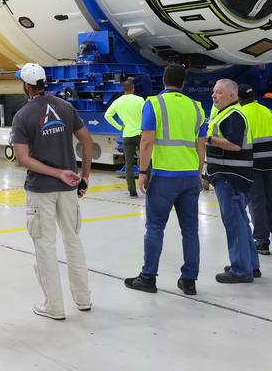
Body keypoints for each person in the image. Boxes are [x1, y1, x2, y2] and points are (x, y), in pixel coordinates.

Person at [10, 62, 93, 319]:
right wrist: (84, 177)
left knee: (45, 245)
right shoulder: (66, 108)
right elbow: (87, 141)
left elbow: (22, 158)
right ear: (45, 82)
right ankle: (83, 299)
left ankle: (54, 306)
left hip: (41, 190)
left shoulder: (23, 116)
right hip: (68, 190)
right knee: (73, 240)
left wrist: (57, 173)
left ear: (26, 85)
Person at [124, 64, 205, 296]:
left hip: (164, 177)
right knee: (190, 231)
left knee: (155, 228)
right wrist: (198, 173)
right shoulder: (196, 107)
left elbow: (147, 141)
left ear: (163, 80)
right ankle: (189, 280)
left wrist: (142, 172)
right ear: (184, 83)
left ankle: (148, 277)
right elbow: (201, 144)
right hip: (190, 176)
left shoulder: (154, 103)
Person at [205, 79, 259, 284]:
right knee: (241, 223)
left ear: (232, 95)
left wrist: (208, 139)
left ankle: (241, 269)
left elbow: (235, 145)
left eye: (218, 92)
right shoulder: (226, 113)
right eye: (213, 91)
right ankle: (250, 264)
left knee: (234, 223)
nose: (214, 95)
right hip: (231, 176)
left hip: (231, 177)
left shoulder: (234, 115)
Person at [239, 85, 272, 256]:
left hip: (253, 166)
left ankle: (262, 242)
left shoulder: (241, 114)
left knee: (256, 203)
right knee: (271, 202)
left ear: (239, 99)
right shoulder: (268, 111)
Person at [103, 78, 145, 197]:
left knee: (129, 164)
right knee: (145, 160)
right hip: (140, 135)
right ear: (133, 88)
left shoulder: (118, 102)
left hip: (127, 135)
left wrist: (120, 127)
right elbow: (146, 115)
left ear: (124, 89)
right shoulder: (139, 100)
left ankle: (132, 191)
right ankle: (148, 187)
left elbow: (107, 115)